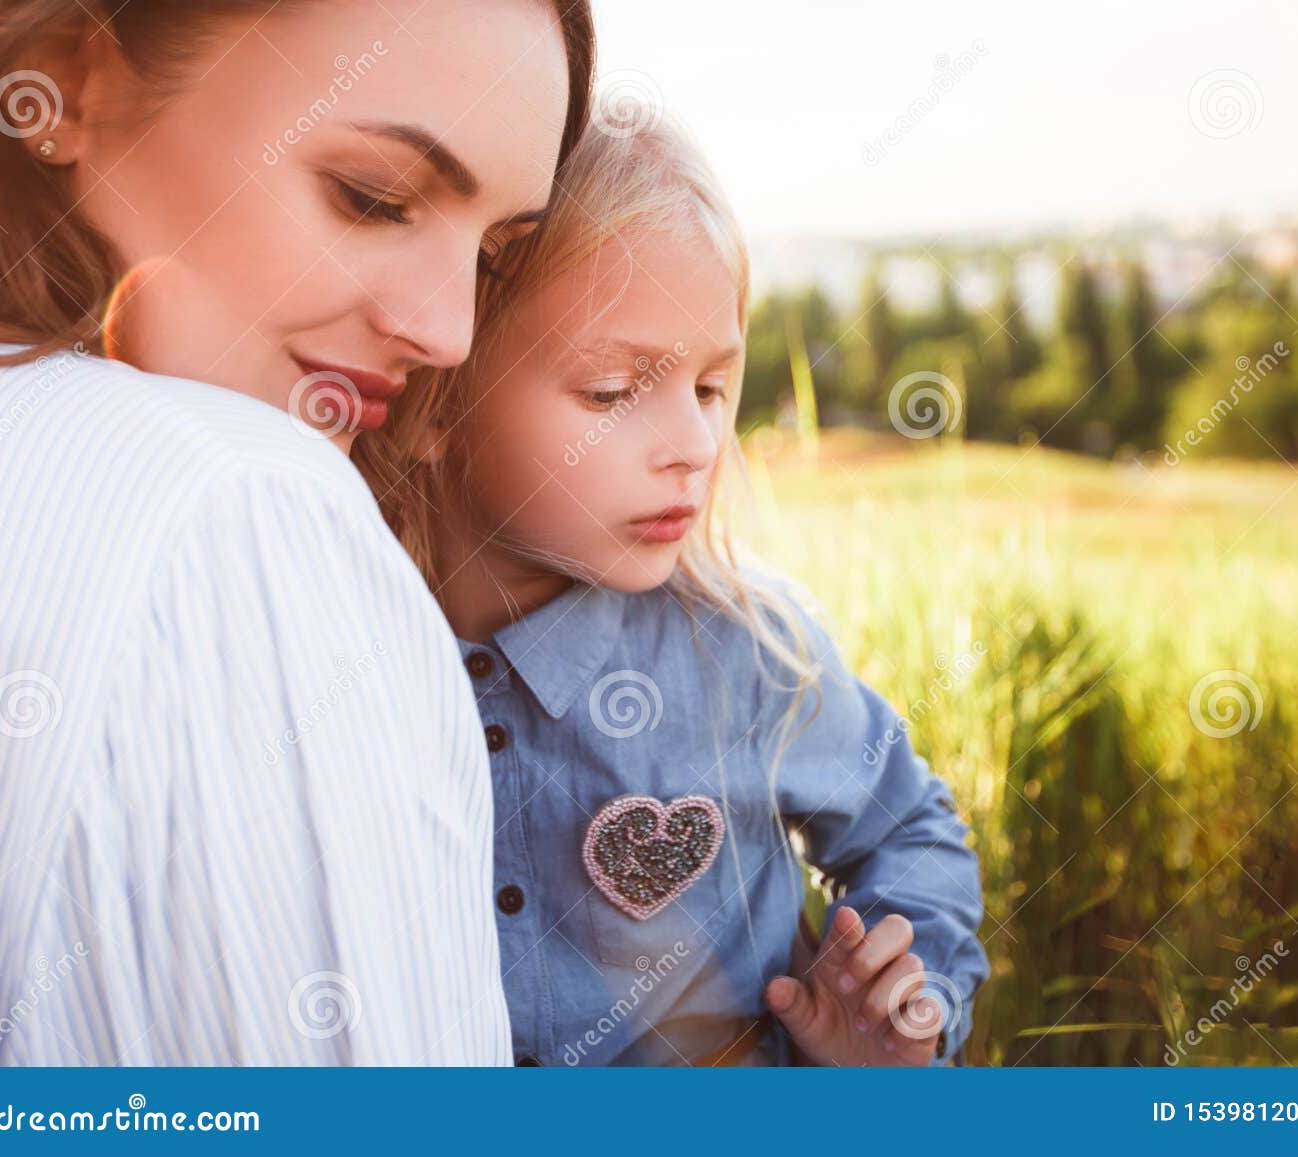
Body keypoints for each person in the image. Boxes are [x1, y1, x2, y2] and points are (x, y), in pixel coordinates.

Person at [0, 0, 595, 1065]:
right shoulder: (250, 509)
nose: (447, 332)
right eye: (374, 198)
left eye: (493, 258)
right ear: (68, 83)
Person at [352, 116, 990, 1066]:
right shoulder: (339, 647)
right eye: (612, 391)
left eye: (710, 388)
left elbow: (910, 826)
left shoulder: (747, 649)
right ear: (431, 405)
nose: (696, 444)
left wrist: (904, 1005)